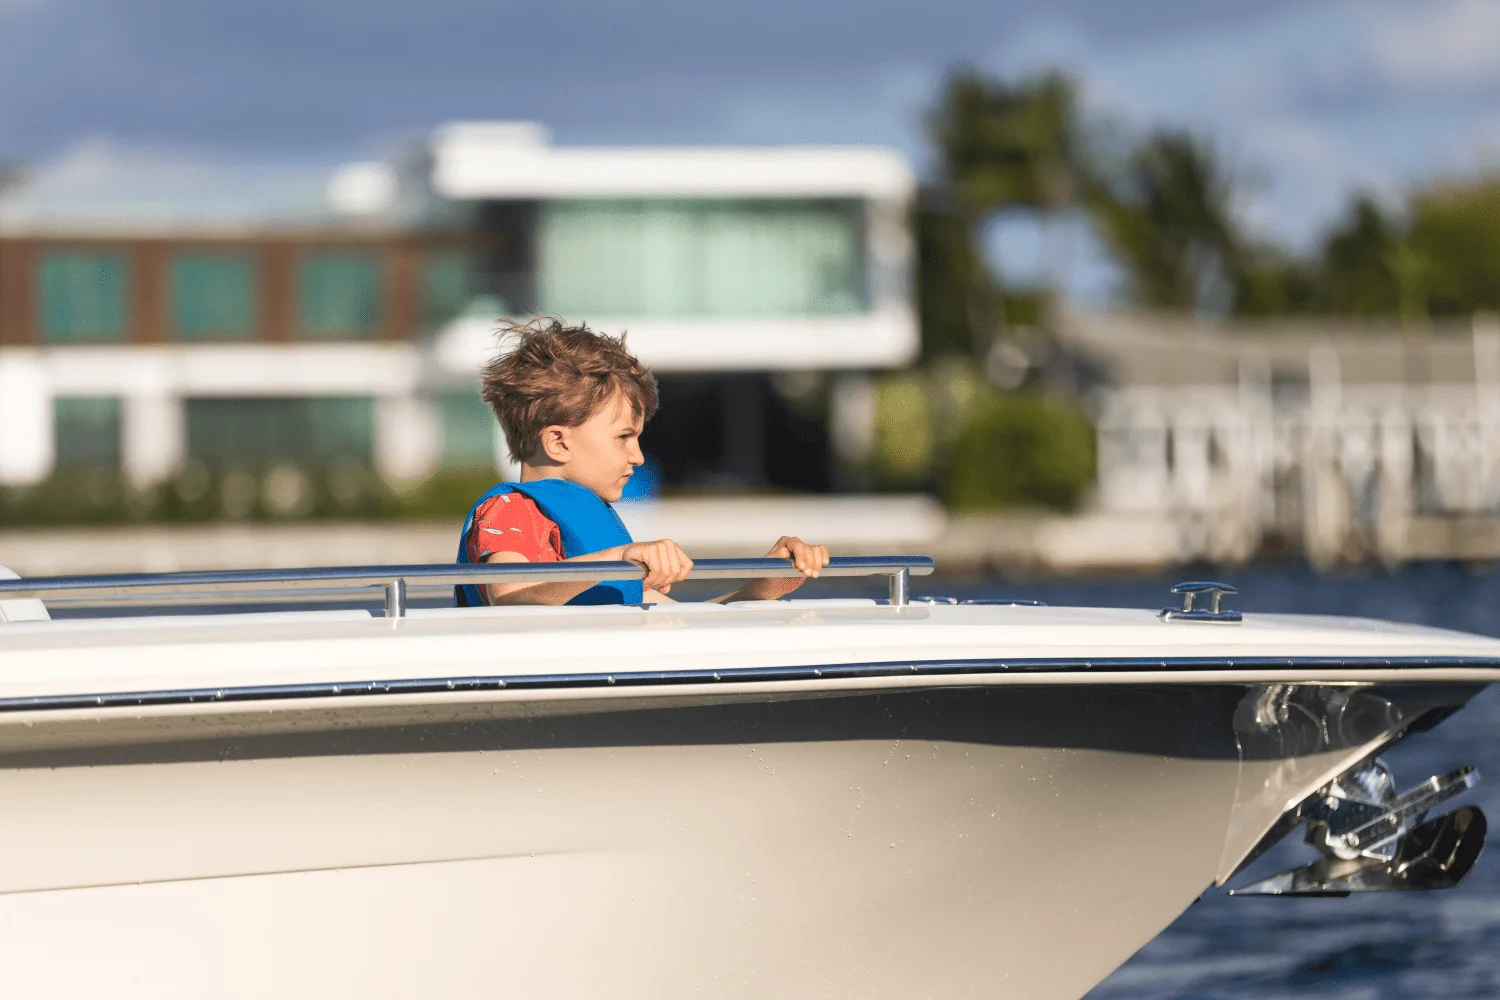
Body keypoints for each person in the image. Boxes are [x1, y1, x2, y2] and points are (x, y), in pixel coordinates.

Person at [455, 318, 829, 607]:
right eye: (623, 437)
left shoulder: (595, 544)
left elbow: (687, 620)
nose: (638, 456)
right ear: (558, 442)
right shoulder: (510, 511)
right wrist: (618, 558)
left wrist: (759, 590)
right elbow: (510, 594)